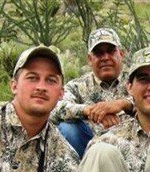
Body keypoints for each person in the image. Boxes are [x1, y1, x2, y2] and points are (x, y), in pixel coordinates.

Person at [52, 28, 134, 158]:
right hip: (90, 151)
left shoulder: (136, 80)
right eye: (98, 53)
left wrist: (124, 104)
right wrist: (90, 111)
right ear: (90, 59)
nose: (105, 58)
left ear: (122, 54)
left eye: (111, 51)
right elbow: (55, 107)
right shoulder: (77, 86)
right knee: (67, 128)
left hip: (132, 147)